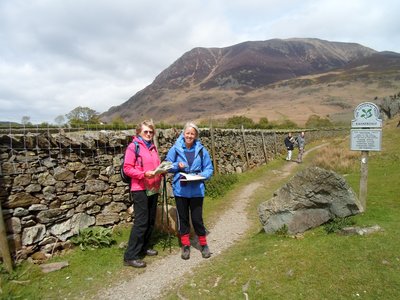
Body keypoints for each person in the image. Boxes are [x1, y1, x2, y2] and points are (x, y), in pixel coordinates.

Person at [166, 122, 214, 260]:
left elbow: (209, 168)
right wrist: (177, 165)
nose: (189, 135)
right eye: (187, 133)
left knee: (197, 219)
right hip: (181, 189)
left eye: (192, 133)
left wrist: (202, 175)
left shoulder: (201, 150)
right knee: (183, 218)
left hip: (197, 189)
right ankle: (185, 246)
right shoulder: (175, 148)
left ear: (196, 136)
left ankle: (204, 245)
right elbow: (167, 165)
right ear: (183, 133)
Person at [123, 120, 163, 268]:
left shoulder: (152, 147)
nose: (148, 134)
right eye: (146, 131)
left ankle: (144, 248)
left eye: (151, 132)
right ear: (139, 132)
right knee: (141, 222)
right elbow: (127, 168)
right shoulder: (133, 147)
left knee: (151, 220)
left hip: (153, 187)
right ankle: (130, 256)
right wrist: (144, 174)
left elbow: (154, 165)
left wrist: (160, 172)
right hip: (139, 188)